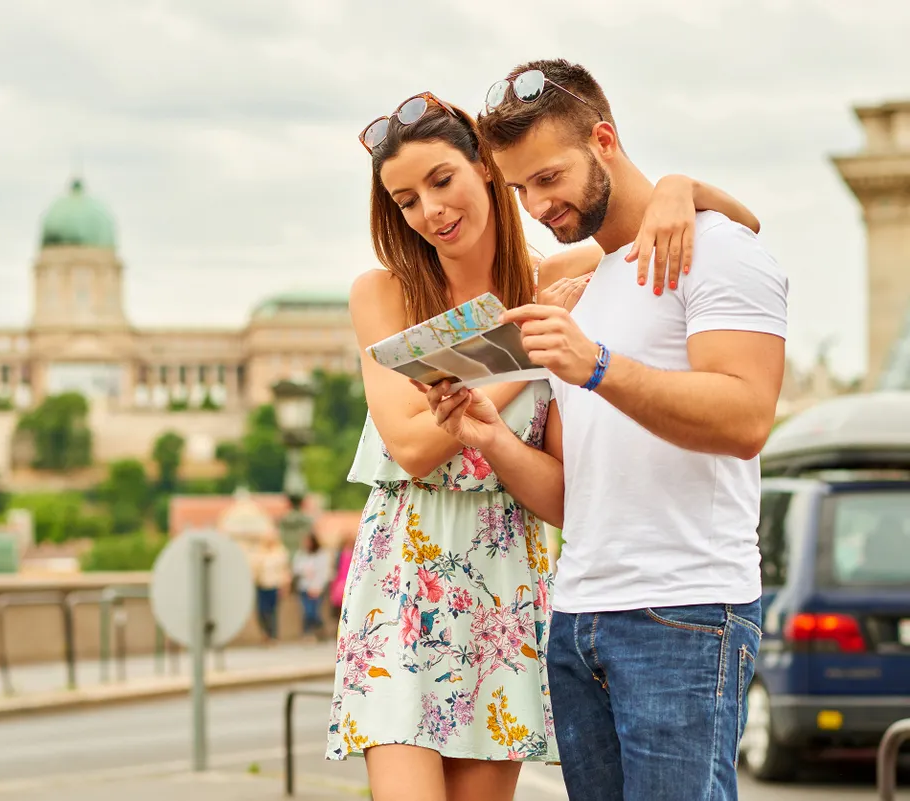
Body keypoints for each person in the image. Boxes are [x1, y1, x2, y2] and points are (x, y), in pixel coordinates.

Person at [326, 87, 764, 801]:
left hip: (508, 581)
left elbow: (736, 222)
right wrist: (516, 353)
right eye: (406, 200)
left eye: (442, 180)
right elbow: (410, 442)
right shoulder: (385, 291)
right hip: (404, 581)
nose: (430, 211)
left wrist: (681, 187)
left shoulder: (557, 280)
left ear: (489, 171)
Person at [291, 531, 333, 639]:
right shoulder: (301, 554)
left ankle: (318, 629)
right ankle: (308, 632)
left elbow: (324, 572)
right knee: (306, 611)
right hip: (304, 587)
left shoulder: (322, 555)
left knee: (313, 612)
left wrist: (317, 587)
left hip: (316, 588)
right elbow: (296, 568)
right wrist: (304, 570)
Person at [251, 532, 291, 642]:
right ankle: (265, 633)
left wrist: (285, 585)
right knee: (262, 611)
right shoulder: (259, 552)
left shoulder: (280, 552)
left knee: (272, 612)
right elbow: (254, 569)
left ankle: (273, 635)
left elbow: (284, 570)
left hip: (274, 585)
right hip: (261, 585)